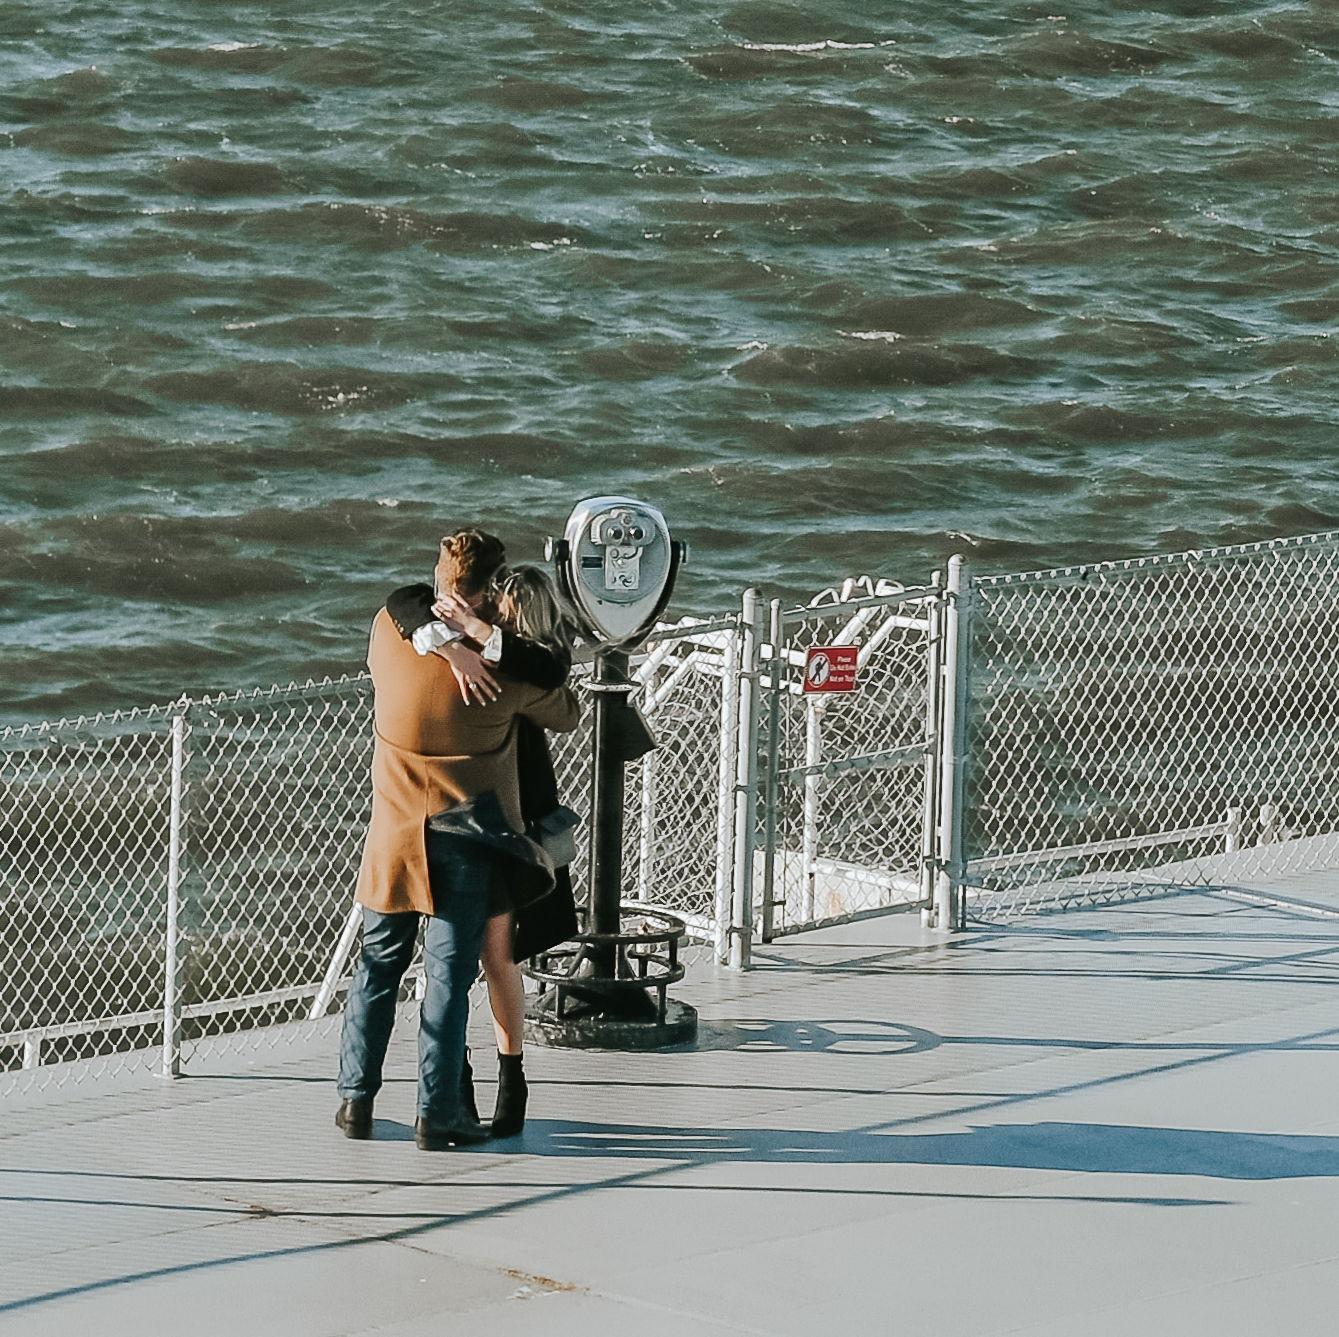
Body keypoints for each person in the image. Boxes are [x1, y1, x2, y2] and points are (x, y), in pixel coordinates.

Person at [336, 530, 580, 1150]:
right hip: (468, 835)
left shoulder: (387, 633)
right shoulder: (501, 674)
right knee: (447, 979)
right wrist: (482, 642)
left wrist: (445, 641)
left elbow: (401, 602)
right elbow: (565, 710)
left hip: (393, 835)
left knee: (377, 966)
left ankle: (356, 1100)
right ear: (491, 591)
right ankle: (438, 1112)